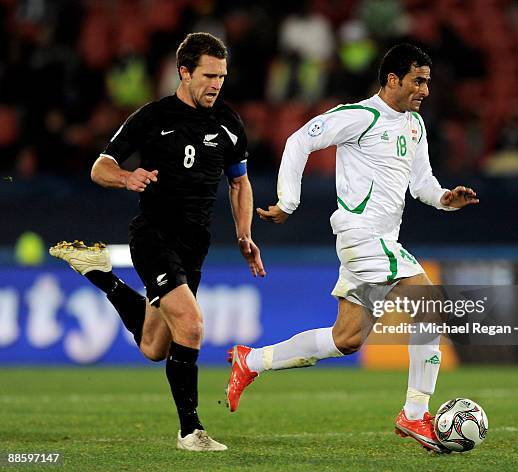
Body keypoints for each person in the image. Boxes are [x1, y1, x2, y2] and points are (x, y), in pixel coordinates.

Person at [225, 43, 478, 453]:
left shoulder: (414, 126)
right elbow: (297, 142)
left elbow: (422, 185)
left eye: (428, 82)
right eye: (419, 80)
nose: (425, 91)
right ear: (393, 79)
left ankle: (250, 362)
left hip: (381, 243)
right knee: (431, 305)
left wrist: (447, 198)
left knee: (346, 339)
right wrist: (288, 201)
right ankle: (414, 415)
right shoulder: (360, 116)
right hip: (362, 236)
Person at [50, 32, 265, 452]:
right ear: (184, 72)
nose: (217, 84)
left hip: (194, 245)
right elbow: (101, 167)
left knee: (153, 346)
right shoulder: (152, 118)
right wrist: (127, 177)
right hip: (153, 237)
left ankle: (101, 275)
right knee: (193, 324)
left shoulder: (229, 123)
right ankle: (191, 431)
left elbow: (239, 183)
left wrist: (244, 234)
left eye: (222, 76)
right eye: (208, 75)